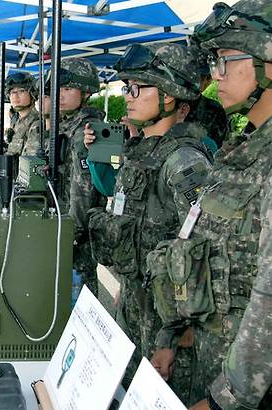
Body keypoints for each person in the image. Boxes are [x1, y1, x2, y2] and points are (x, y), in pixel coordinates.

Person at [147, 2, 272, 408]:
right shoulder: (241, 151)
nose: (215, 76)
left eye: (224, 61)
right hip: (208, 358)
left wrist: (224, 400)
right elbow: (193, 244)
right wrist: (171, 336)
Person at [85, 43, 212, 400]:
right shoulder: (142, 152)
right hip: (136, 311)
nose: (129, 96)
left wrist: (174, 336)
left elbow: (202, 256)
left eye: (138, 88)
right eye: (127, 88)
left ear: (170, 96)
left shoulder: (185, 162)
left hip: (168, 331)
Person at [45, 58, 106, 296]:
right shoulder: (66, 125)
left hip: (76, 231)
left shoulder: (88, 130)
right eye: (57, 89)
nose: (59, 95)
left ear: (86, 91)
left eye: (68, 89)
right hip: (64, 222)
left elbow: (84, 190)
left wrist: (71, 232)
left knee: (79, 297)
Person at [5, 72, 41, 156]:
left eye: (21, 91)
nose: (15, 96)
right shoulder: (16, 122)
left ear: (32, 95)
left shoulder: (38, 124)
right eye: (12, 92)